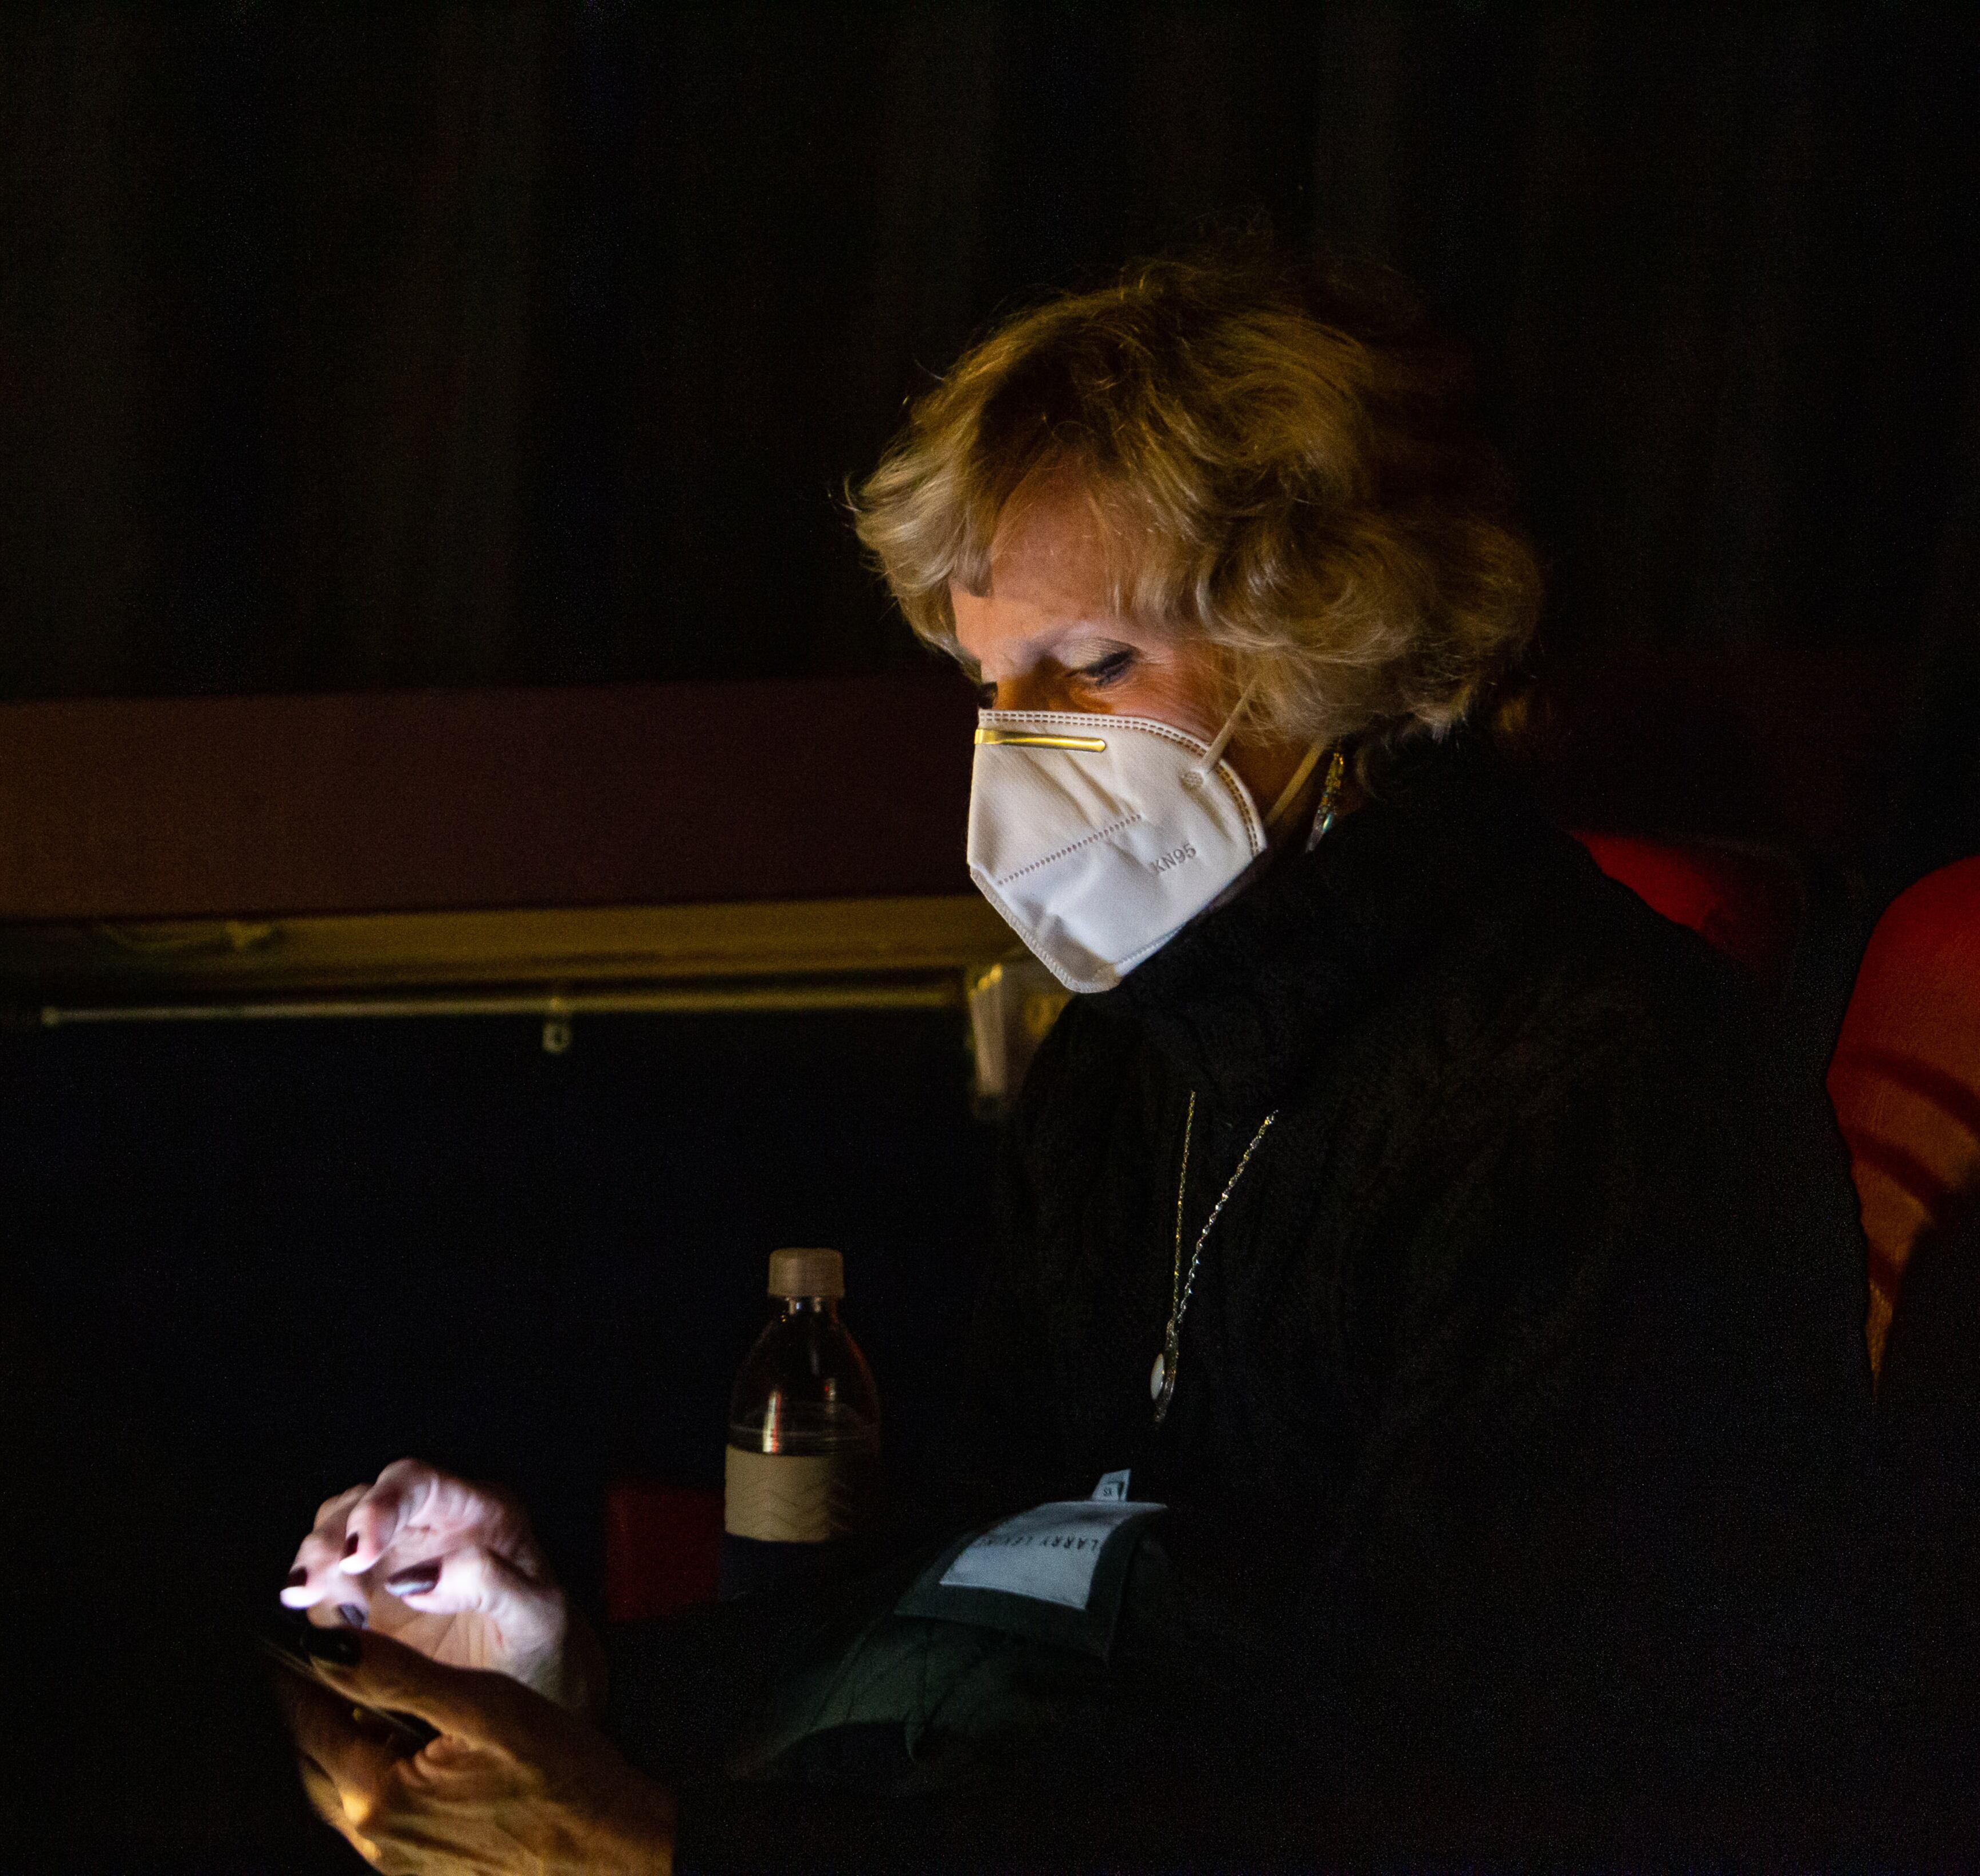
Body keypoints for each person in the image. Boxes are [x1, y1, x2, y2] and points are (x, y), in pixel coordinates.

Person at [272, 243, 1885, 1871]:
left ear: (1335, 643)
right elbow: (993, 1610)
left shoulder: (1608, 1095)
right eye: (991, 685)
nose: (1016, 760)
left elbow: (1443, 1795)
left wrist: (682, 1849)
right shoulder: (1127, 1069)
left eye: (1094, 668)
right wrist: (576, 1683)